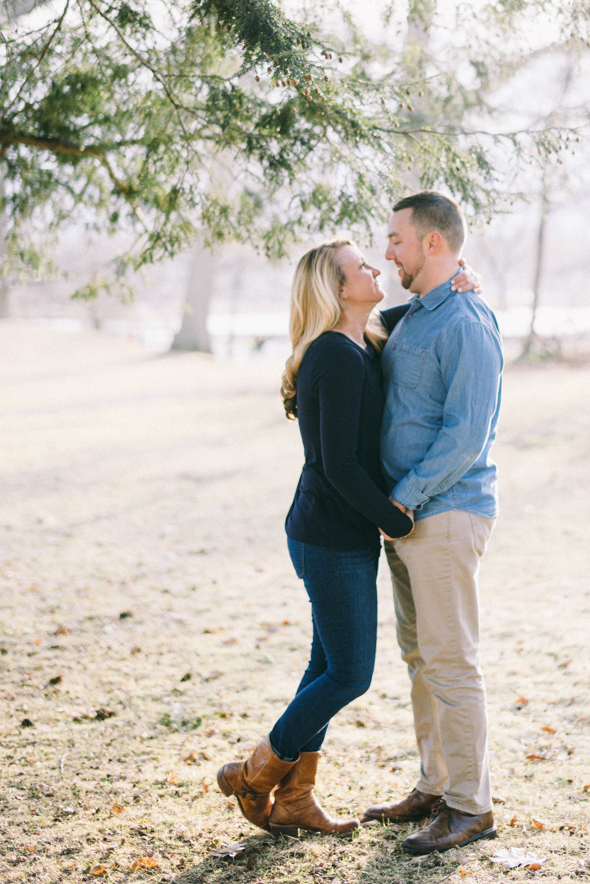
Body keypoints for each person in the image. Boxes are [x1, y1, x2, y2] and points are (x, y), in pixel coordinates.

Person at [217, 239, 480, 837]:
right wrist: (395, 518)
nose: (375, 267)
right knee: (350, 673)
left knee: (324, 664)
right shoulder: (334, 355)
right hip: (329, 533)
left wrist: (459, 277)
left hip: (340, 530)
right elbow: (337, 463)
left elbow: (410, 308)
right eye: (361, 265)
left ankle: (297, 800)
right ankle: (254, 775)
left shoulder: (363, 336)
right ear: (337, 289)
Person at [363, 192, 503, 856]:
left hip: (442, 512)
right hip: (408, 517)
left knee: (451, 662)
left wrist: (405, 500)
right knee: (421, 658)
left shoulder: (468, 322)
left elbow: (466, 436)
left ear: (434, 244)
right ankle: (436, 785)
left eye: (396, 240)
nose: (387, 252)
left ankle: (471, 807)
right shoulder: (418, 315)